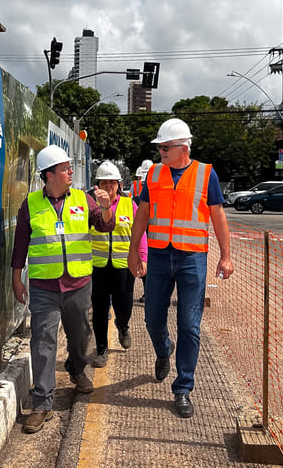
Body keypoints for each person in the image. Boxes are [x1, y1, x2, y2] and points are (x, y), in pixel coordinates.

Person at [127, 118, 234, 419]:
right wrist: (134, 251)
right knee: (151, 319)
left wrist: (226, 256)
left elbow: (218, 215)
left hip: (191, 259)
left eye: (165, 146)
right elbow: (143, 214)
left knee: (190, 325)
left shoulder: (205, 174)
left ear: (183, 147)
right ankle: (164, 350)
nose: (161, 151)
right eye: (159, 147)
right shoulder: (154, 175)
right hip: (160, 257)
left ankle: (183, 387)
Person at [11, 144, 115, 433]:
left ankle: (77, 368)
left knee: (80, 335)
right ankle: (43, 402)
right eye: (65, 168)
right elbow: (20, 246)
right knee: (43, 341)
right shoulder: (30, 205)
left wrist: (106, 210)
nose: (71, 171)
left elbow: (103, 226)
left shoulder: (84, 199)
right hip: (45, 287)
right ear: (50, 175)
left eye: (70, 167)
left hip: (79, 284)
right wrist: (16, 278)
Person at [88, 160, 147, 368]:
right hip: (98, 266)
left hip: (124, 265)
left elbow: (139, 233)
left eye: (112, 183)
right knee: (100, 308)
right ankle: (101, 348)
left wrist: (143, 257)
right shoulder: (90, 205)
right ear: (98, 185)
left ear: (119, 185)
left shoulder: (129, 204)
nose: (108, 187)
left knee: (124, 304)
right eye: (104, 183)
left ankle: (122, 326)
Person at [131, 159, 153, 302]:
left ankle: (150, 293)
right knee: (146, 265)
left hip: (151, 233)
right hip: (147, 233)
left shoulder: (138, 195)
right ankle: (149, 293)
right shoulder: (137, 197)